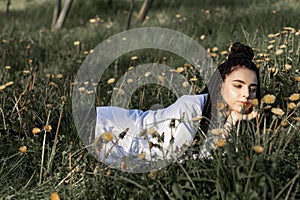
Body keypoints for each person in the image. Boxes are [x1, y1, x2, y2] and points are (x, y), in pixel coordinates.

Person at [93, 42, 260, 171]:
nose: (246, 94)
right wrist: (230, 123)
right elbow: (190, 165)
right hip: (103, 126)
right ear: (220, 85)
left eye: (252, 89)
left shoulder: (234, 116)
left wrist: (233, 122)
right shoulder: (192, 107)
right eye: (238, 86)